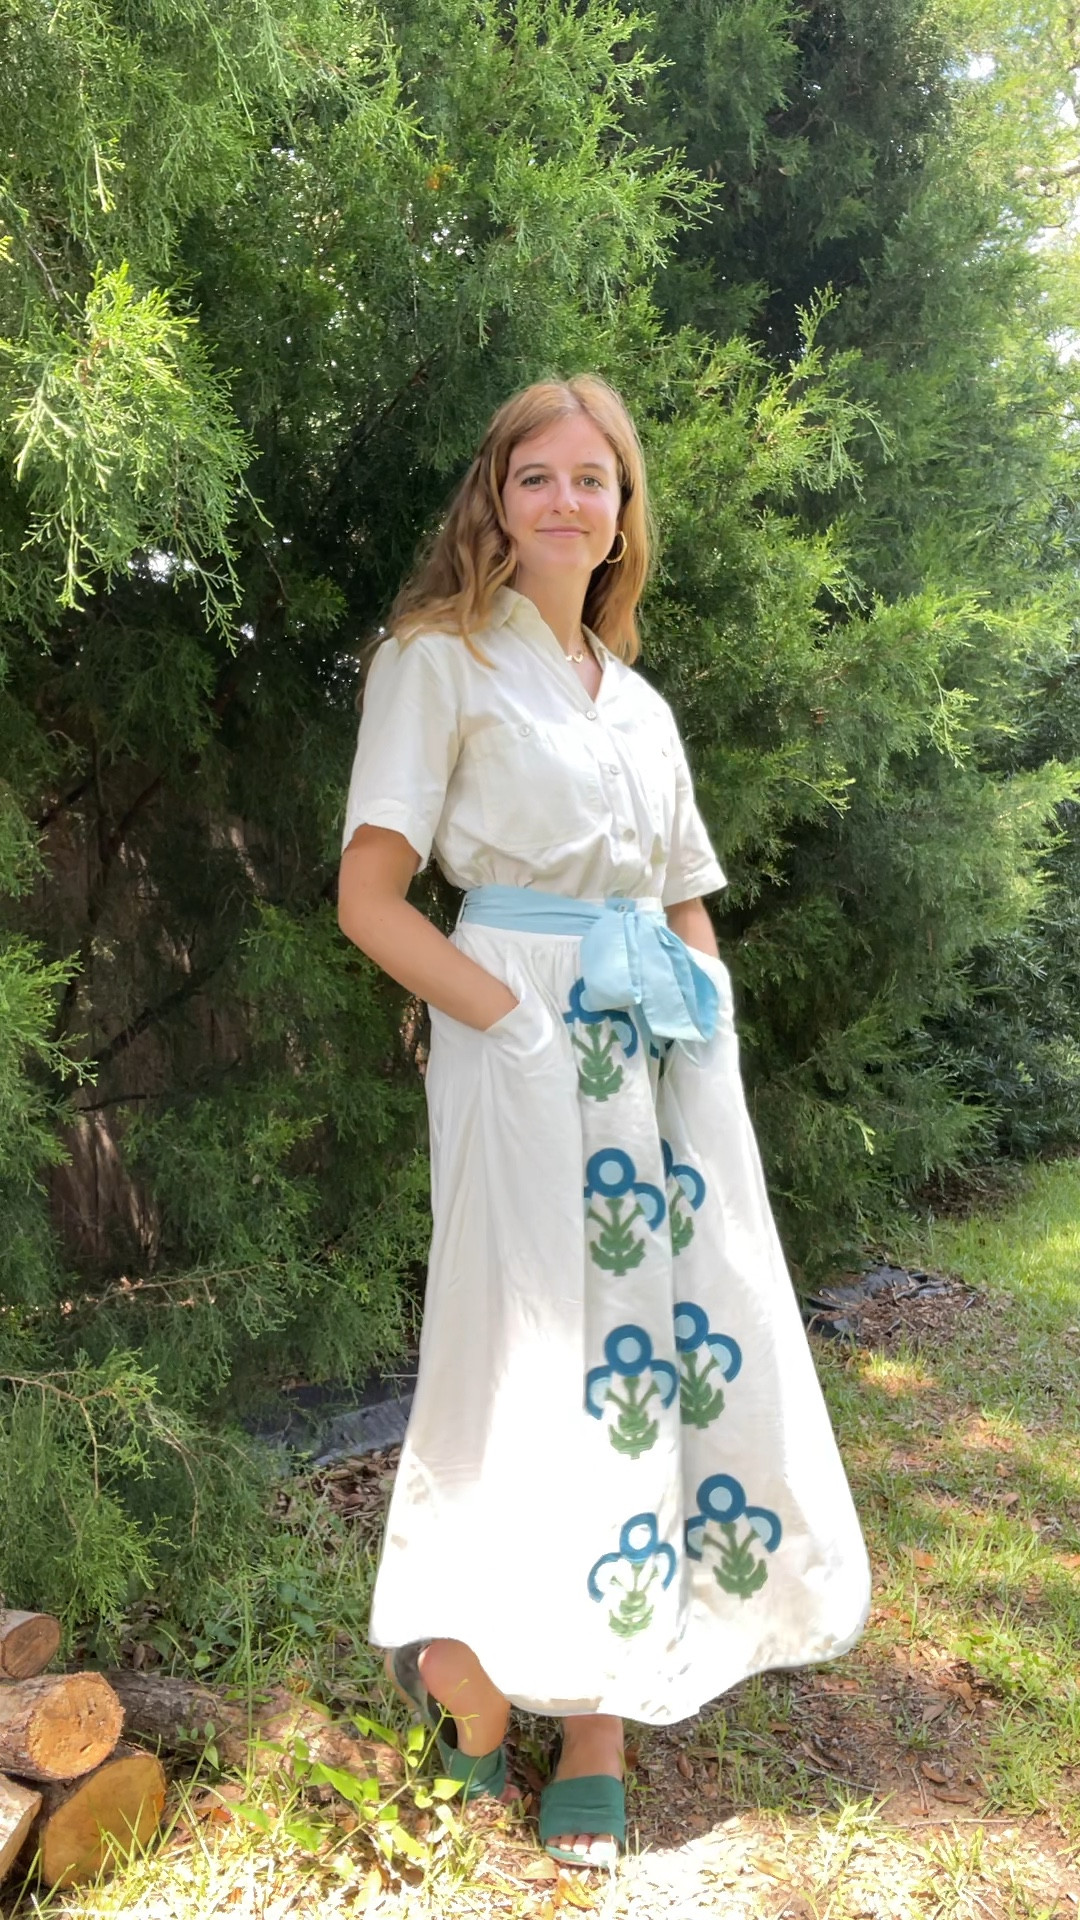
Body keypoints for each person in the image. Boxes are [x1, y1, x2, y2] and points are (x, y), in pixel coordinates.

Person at [336, 375, 871, 1869]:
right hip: (517, 1040)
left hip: (658, 1055)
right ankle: (466, 1671)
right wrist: (512, 1025)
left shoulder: (638, 705)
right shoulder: (436, 662)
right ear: (496, 499)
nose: (567, 501)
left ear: (626, 510)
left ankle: (598, 1721)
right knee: (516, 1349)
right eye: (538, 476)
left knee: (655, 1352)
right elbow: (370, 899)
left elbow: (684, 897)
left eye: (596, 478)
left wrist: (711, 1035)